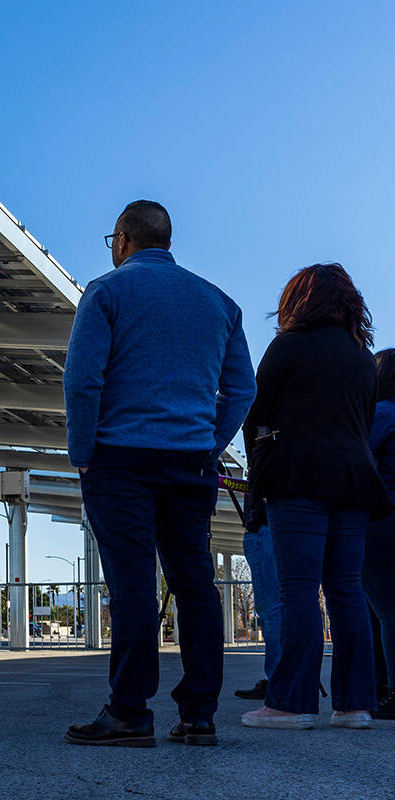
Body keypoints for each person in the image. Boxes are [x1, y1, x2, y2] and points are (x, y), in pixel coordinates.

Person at [63, 200, 255, 747]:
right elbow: (242, 389)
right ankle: (199, 715)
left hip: (120, 459)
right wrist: (207, 442)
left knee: (133, 586)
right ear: (166, 242)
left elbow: (82, 381)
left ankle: (128, 712)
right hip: (190, 464)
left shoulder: (107, 292)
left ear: (123, 240)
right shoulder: (221, 304)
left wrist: (83, 452)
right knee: (194, 584)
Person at [241, 263, 389, 730]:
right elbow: (361, 426)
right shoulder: (363, 357)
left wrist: (259, 480)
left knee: (299, 590)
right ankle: (355, 705)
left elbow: (257, 415)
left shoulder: (288, 346)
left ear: (298, 300)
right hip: (354, 484)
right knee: (346, 591)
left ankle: (290, 703)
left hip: (299, 480)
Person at [364, 348, 395, 719]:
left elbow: (359, 460)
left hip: (383, 518)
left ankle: (386, 687)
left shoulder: (379, 415)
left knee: (385, 609)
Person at [234, 498, 282, 700]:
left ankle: (277, 681)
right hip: (279, 524)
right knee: (282, 607)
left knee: (271, 609)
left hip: (265, 526)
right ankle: (287, 678)